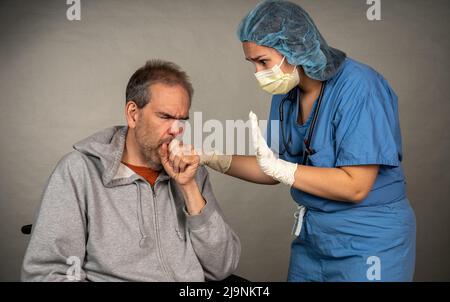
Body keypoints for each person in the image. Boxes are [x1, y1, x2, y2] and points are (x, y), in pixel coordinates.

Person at [199, 0, 416, 281]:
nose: (257, 73)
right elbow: (270, 169)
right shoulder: (286, 93)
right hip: (314, 241)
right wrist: (209, 156)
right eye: (251, 63)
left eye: (263, 61)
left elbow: (356, 186)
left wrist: (281, 169)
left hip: (369, 240)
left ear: (295, 49)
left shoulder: (359, 87)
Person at [21, 60, 241, 282]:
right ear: (133, 114)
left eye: (181, 120)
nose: (176, 130)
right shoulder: (79, 171)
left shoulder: (192, 174)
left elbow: (221, 267)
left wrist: (189, 187)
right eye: (165, 117)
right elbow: (45, 274)